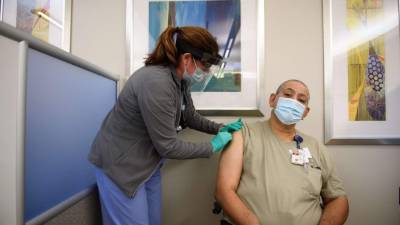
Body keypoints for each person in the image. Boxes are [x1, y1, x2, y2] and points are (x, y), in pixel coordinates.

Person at [88, 26, 243, 225]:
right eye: (205, 65)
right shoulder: (156, 82)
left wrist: (220, 128)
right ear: (187, 59)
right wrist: (212, 146)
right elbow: (168, 146)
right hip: (120, 167)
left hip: (146, 165)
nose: (207, 72)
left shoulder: (179, 80)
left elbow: (190, 116)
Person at [215, 80, 349, 225]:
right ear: (272, 100)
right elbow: (224, 190)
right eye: (288, 94)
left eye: (301, 100)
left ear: (305, 112)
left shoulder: (316, 147)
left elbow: (337, 199)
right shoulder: (243, 134)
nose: (294, 102)